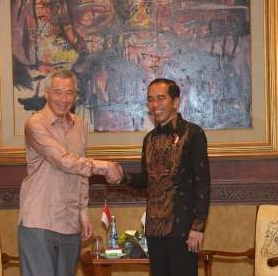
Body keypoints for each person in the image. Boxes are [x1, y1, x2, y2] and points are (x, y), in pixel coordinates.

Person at [18, 68, 122, 276]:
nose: (64, 99)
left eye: (69, 93)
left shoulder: (78, 124)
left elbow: (80, 170)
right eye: (58, 92)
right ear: (46, 93)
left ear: (75, 95)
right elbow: (64, 161)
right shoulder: (35, 124)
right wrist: (105, 166)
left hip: (69, 223)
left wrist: (83, 213)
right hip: (40, 220)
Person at [121, 78, 210, 276]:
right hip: (153, 230)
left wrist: (198, 227)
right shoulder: (149, 139)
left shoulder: (193, 133)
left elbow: (202, 183)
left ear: (176, 102)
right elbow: (146, 181)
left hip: (183, 229)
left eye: (160, 98)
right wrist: (121, 176)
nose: (154, 105)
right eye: (150, 99)